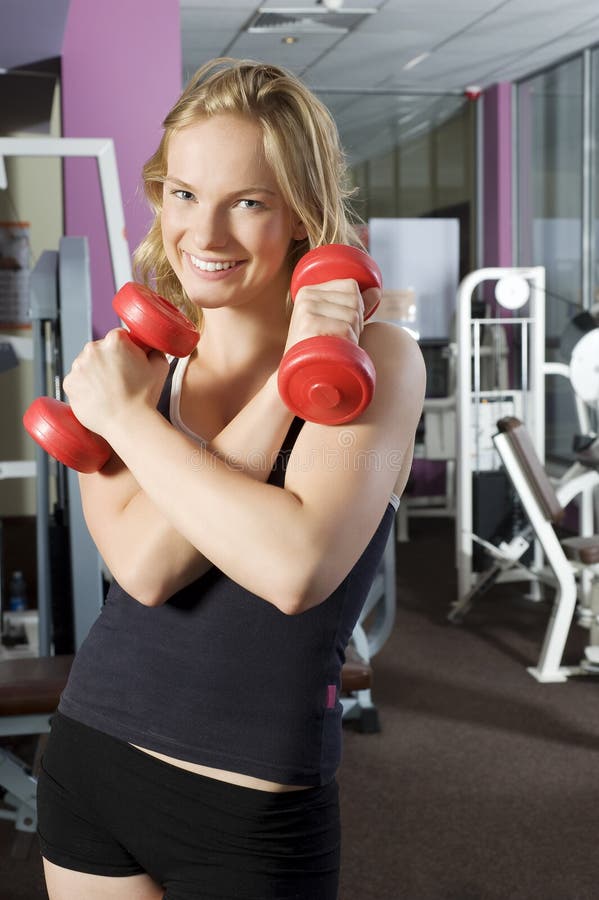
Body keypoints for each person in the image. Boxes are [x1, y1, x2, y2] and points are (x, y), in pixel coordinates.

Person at [36, 57, 426, 900]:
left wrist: (134, 425)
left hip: (247, 807)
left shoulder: (374, 361)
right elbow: (143, 570)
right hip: (91, 757)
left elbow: (295, 568)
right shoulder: (135, 369)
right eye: (183, 195)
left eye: (247, 201)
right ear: (158, 198)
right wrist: (144, 411)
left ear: (300, 214)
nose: (204, 235)